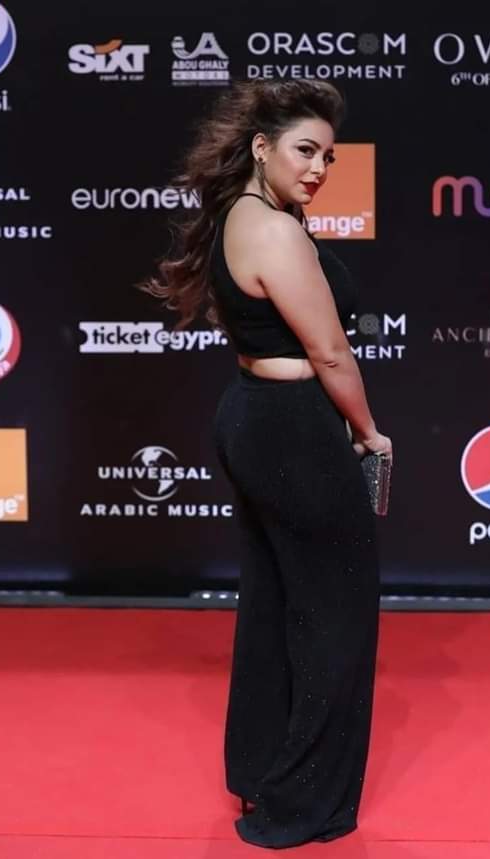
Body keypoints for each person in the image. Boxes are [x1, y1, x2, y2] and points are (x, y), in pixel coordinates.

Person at [142, 78, 392, 849]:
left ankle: (262, 769)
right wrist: (369, 433)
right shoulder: (277, 232)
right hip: (293, 428)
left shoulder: (241, 216)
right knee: (335, 611)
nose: (319, 168)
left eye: (328, 156)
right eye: (304, 150)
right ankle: (300, 802)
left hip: (254, 416)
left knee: (278, 601)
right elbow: (330, 351)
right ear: (261, 147)